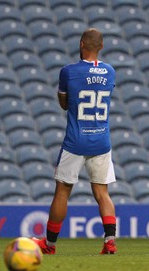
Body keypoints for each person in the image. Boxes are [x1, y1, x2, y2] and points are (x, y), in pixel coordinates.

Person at [32, 28, 117, 255]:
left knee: (62, 192)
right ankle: (110, 241)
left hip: (75, 141)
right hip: (101, 140)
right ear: (101, 46)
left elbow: (64, 103)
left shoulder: (68, 72)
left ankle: (49, 244)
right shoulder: (110, 72)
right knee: (102, 193)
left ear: (81, 44)